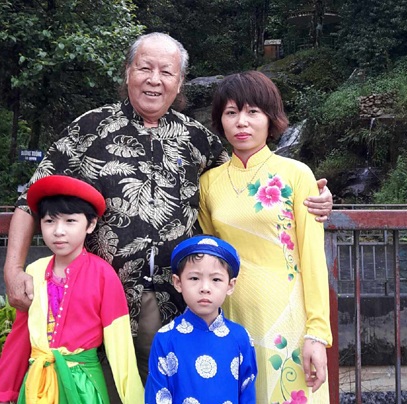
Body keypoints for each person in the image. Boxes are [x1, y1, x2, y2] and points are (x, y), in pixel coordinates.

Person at [3, 32, 332, 394]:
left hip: (183, 303)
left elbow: (244, 181)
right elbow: (29, 200)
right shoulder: (90, 129)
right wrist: (13, 269)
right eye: (145, 68)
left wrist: (312, 196)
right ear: (128, 72)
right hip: (101, 298)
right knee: (105, 391)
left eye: (166, 72)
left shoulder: (197, 139)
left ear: (180, 81)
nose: (154, 80)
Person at [198, 71, 333, 403]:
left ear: (270, 118)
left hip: (288, 318)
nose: (241, 122)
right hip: (230, 316)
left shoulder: (296, 174)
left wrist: (317, 333)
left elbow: (313, 258)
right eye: (231, 112)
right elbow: (209, 260)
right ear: (220, 120)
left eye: (253, 112)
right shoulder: (209, 183)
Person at [0, 175, 143, 404]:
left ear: (91, 224)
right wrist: (6, 389)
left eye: (70, 221)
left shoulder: (103, 275)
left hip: (84, 387)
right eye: (49, 221)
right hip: (37, 385)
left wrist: (133, 399)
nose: (58, 231)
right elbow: (21, 335)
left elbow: (120, 343)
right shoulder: (34, 271)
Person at [145, 235, 257, 403]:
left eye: (216, 279)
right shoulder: (165, 338)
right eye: (194, 278)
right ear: (178, 282)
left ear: (230, 285)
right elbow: (157, 397)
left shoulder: (241, 338)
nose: (205, 288)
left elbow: (247, 394)